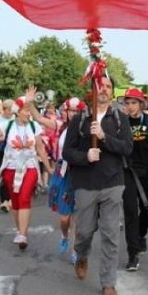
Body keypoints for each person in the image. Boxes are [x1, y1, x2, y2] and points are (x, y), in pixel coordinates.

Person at [62, 76, 133, 295]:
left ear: (112, 92)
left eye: (108, 87)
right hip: (86, 184)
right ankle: (81, 254)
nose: (103, 90)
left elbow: (127, 148)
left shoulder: (119, 118)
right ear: (92, 90)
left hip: (113, 182)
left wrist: (104, 137)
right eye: (99, 86)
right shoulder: (81, 118)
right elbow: (67, 152)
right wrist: (85, 156)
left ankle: (108, 283)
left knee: (111, 234)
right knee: (83, 232)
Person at [0, 95, 49, 249]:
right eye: (25, 111)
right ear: (17, 111)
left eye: (29, 111)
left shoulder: (34, 126)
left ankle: (22, 235)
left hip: (29, 166)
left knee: (24, 196)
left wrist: (48, 168)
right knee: (15, 201)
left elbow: (40, 147)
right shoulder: (7, 125)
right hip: (11, 167)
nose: (28, 114)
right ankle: (20, 230)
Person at [120, 87, 148, 272]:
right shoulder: (121, 122)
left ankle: (141, 235)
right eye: (127, 103)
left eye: (133, 103)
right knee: (130, 211)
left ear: (141, 104)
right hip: (128, 171)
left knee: (146, 207)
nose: (130, 106)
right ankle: (133, 254)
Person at [47, 97, 85, 259]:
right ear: (66, 112)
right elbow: (38, 118)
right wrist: (29, 103)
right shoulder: (60, 127)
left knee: (78, 215)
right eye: (71, 110)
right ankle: (64, 236)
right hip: (63, 172)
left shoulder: (86, 129)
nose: (73, 114)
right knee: (64, 217)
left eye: (77, 111)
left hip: (80, 172)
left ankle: (75, 250)